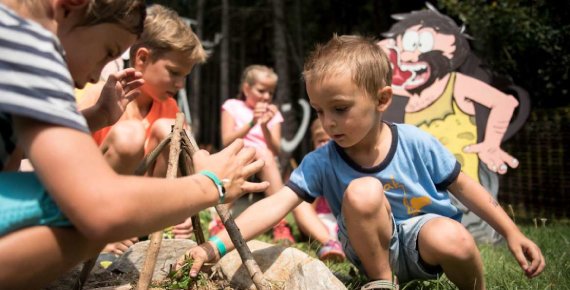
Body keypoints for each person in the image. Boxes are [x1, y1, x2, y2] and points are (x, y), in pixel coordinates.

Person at [181, 35, 545, 290]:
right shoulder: (321, 161)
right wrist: (216, 246)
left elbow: (465, 187)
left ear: (382, 99)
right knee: (363, 192)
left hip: (425, 238)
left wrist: (512, 232)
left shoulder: (416, 142)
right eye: (321, 111)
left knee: (455, 238)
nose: (328, 123)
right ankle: (382, 282)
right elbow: (275, 206)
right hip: (369, 247)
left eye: (340, 109)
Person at [0, 1, 267, 288]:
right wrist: (213, 184)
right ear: (69, 6)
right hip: (100, 203)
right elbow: (99, 206)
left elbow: (15, 150)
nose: (94, 75)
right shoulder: (27, 46)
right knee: (90, 224)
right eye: (109, 52)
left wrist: (98, 117)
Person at [78, 4, 206, 255]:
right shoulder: (98, 97)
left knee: (171, 129)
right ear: (142, 59)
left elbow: (185, 166)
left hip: (141, 213)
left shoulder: (169, 109)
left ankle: (155, 223)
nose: (180, 84)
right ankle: (99, 234)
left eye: (185, 76)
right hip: (89, 207)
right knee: (129, 137)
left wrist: (182, 209)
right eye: (174, 72)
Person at [216, 64, 295, 245]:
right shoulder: (232, 106)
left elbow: (275, 149)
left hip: (265, 158)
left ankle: (280, 223)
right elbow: (226, 140)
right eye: (261, 91)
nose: (266, 97)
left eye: (271, 92)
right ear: (246, 88)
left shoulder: (273, 114)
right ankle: (220, 219)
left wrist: (265, 125)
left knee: (265, 153)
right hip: (237, 153)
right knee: (260, 152)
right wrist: (252, 122)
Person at [292, 118, 345, 261]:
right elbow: (308, 205)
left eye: (331, 140)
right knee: (299, 204)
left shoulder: (349, 166)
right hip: (321, 225)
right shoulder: (313, 166)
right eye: (321, 141)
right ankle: (330, 243)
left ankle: (345, 245)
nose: (326, 145)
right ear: (313, 144)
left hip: (347, 223)